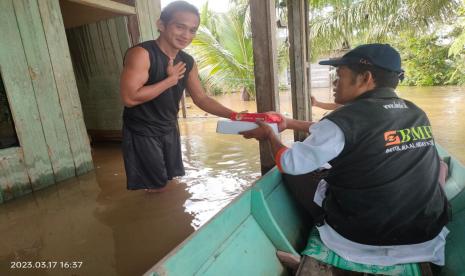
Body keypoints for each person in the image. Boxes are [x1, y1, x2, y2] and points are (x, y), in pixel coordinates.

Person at [241, 44, 450, 267]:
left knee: (295, 170)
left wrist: (269, 135)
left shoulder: (347, 118)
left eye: (339, 76)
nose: (334, 83)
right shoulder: (415, 112)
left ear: (365, 78)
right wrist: (289, 123)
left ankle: (319, 226)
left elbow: (289, 162)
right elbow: (345, 133)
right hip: (425, 237)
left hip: (360, 240)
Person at [120, 1, 236, 192]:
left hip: (169, 127)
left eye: (192, 30)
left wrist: (234, 115)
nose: (186, 35)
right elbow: (129, 98)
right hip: (142, 130)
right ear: (161, 25)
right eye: (180, 26)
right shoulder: (142, 54)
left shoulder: (187, 61)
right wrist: (169, 80)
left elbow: (201, 98)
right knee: (156, 187)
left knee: (169, 181)